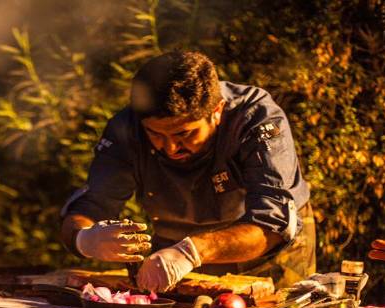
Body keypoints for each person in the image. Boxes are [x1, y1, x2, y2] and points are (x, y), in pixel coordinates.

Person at [60, 50, 316, 291]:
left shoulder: (255, 118)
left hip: (266, 253)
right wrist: (85, 239)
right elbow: (89, 207)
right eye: (155, 134)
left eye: (184, 133)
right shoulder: (126, 128)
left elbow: (273, 224)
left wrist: (192, 251)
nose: (170, 147)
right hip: (173, 252)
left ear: (216, 112)